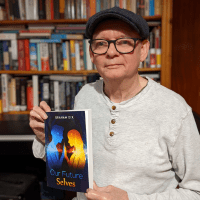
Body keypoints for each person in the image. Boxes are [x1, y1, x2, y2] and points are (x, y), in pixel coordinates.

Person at [30, 6, 200, 200]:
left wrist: (129, 199)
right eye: (101, 44)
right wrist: (48, 141)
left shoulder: (174, 109)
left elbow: (196, 191)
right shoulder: (85, 95)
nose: (111, 52)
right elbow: (71, 165)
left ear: (143, 50)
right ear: (92, 54)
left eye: (124, 42)